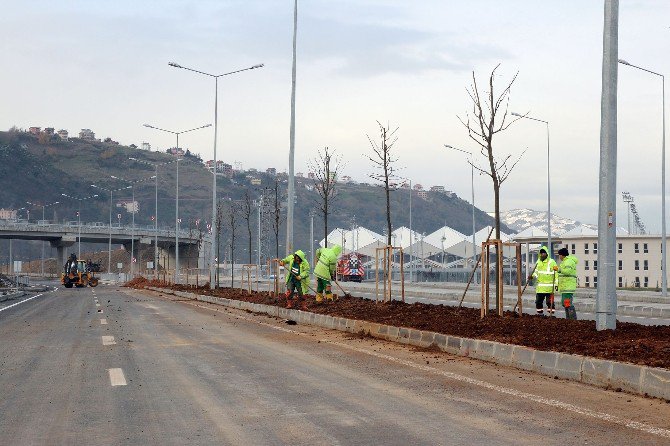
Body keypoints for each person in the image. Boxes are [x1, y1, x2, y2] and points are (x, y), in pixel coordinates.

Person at [528, 245, 557, 316]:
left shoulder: (552, 262)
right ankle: (540, 314)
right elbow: (536, 272)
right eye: (541, 253)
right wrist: (532, 276)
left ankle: (551, 316)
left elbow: (556, 274)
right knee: (538, 302)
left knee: (549, 302)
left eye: (544, 253)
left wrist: (556, 284)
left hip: (549, 288)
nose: (542, 254)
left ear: (547, 254)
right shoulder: (538, 262)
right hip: (540, 287)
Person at [555, 247, 578, 320]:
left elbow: (567, 271)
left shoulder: (569, 261)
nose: (559, 257)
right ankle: (568, 319)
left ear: (562, 255)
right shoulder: (565, 262)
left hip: (568, 287)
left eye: (560, 255)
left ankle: (572, 319)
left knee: (567, 303)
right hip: (565, 287)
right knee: (565, 303)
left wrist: (558, 269)